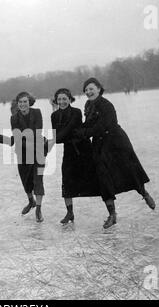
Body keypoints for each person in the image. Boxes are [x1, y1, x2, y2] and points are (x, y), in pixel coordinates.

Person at [74, 78, 156, 229]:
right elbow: (89, 124)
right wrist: (77, 131)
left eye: (91, 89)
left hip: (116, 142)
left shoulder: (107, 105)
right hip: (99, 144)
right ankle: (112, 214)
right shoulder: (88, 104)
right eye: (86, 90)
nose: (88, 92)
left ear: (99, 89)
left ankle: (144, 194)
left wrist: (85, 133)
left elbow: (104, 126)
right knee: (103, 177)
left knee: (129, 171)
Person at [50, 88, 100, 224]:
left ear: (69, 99)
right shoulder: (54, 116)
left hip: (84, 149)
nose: (62, 102)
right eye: (59, 99)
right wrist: (55, 139)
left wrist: (54, 139)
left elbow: (67, 130)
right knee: (66, 181)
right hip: (69, 151)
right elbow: (59, 138)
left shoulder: (76, 112)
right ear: (56, 100)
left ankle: (111, 211)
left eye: (64, 99)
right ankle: (70, 212)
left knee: (98, 179)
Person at [11, 92, 47, 223]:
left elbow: (38, 131)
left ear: (29, 102)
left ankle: (38, 208)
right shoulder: (14, 118)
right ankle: (30, 201)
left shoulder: (37, 112)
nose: (22, 104)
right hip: (23, 153)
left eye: (25, 101)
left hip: (38, 152)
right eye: (20, 102)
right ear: (17, 104)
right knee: (26, 180)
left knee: (38, 179)